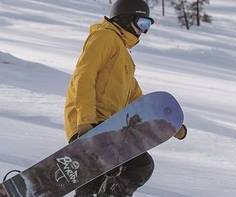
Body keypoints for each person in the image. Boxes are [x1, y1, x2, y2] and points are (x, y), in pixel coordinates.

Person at [64, 0, 187, 196]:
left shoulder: (123, 56)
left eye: (148, 27)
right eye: (143, 24)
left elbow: (137, 100)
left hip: (108, 126)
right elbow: (83, 77)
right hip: (91, 124)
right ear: (126, 18)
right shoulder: (104, 37)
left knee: (104, 175)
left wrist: (170, 125)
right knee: (140, 166)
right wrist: (85, 123)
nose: (144, 32)